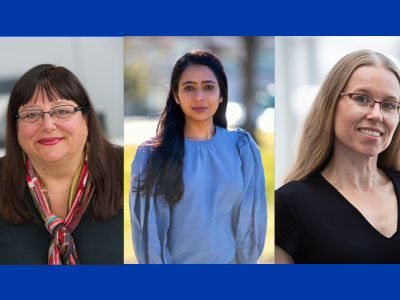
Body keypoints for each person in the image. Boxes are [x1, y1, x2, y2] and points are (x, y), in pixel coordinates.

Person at [130, 50, 267, 264]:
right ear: (175, 95)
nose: (199, 97)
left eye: (209, 87)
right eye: (189, 88)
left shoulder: (242, 148)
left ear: (221, 94)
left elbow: (250, 221)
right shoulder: (151, 155)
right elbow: (149, 235)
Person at [275, 50, 400, 264]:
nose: (376, 115)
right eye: (361, 99)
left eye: (389, 105)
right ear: (330, 104)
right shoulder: (290, 204)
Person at [0, 64, 123, 264]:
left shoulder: (130, 171)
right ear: (15, 127)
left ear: (87, 119)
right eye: (31, 115)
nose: (48, 125)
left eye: (62, 111)